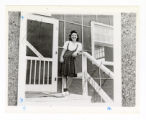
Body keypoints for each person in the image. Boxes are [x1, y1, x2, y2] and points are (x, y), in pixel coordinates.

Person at [60, 30, 82, 96]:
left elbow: (78, 51)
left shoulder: (79, 44)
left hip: (72, 60)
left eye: (75, 35)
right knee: (64, 74)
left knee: (70, 75)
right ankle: (64, 90)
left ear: (77, 36)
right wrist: (61, 57)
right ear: (70, 36)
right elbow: (64, 50)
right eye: (72, 35)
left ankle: (67, 89)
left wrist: (76, 52)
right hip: (65, 58)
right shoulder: (67, 42)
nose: (74, 36)